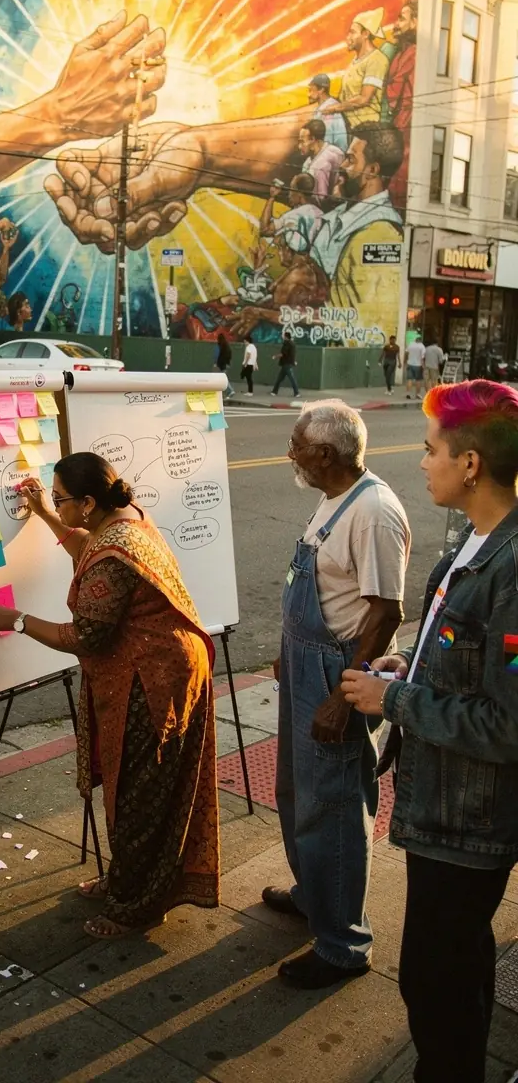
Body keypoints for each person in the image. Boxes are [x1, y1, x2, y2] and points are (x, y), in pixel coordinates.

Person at [342, 381, 518, 1082]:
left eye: (430, 449)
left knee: (433, 982)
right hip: (442, 808)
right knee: (459, 965)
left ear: (470, 463)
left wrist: (396, 701)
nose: (420, 462)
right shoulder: (470, 542)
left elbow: (508, 723)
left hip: (468, 820)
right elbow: (463, 657)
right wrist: (408, 665)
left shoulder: (512, 568)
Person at [0, 452, 220, 938]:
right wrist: (46, 513)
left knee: (139, 795)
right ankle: (131, 882)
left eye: (61, 497)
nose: (57, 502)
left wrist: (18, 621)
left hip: (154, 684)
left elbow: (86, 636)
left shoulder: (117, 549)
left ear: (89, 502)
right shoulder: (124, 522)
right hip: (166, 668)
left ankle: (137, 908)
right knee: (144, 789)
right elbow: (87, 548)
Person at [267, 401, 410, 988]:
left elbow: (384, 613)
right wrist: (288, 647)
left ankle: (343, 944)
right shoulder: (335, 499)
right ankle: (314, 897)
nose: (291, 452)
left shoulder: (374, 511)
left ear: (325, 453)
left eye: (297, 442)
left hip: (338, 675)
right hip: (305, 664)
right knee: (298, 793)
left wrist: (339, 697)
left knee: (335, 808)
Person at [309, 124, 405, 337]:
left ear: (372, 170)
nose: (341, 165)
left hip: (343, 363)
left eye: (351, 160)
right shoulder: (337, 218)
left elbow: (368, 327)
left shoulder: (383, 235)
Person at [320, 9, 390, 129]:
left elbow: (364, 99)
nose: (348, 37)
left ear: (366, 34)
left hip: (365, 130)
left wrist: (334, 108)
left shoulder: (376, 59)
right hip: (349, 126)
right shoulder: (355, 61)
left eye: (352, 32)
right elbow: (345, 97)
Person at [384, 0, 417, 207]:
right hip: (399, 121)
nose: (397, 24)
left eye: (402, 19)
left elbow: (393, 88)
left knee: (399, 173)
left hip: (406, 121)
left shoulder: (412, 52)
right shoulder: (401, 51)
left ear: (414, 22)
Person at [259, 173, 322, 255]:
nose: (289, 194)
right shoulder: (320, 213)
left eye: (291, 189)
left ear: (299, 193)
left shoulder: (294, 215)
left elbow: (265, 229)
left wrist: (272, 197)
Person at [298, 119, 344, 203]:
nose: (299, 147)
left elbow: (320, 200)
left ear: (312, 139)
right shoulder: (336, 151)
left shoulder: (319, 166)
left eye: (302, 142)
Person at [308, 73, 350, 152]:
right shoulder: (319, 109)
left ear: (321, 90)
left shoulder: (331, 108)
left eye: (311, 90)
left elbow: (336, 141)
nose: (308, 94)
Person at [271, 331, 300, 398]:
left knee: (291, 379)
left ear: (286, 337)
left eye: (284, 336)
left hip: (286, 364)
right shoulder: (292, 344)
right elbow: (292, 354)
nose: (283, 337)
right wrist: (293, 361)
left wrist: (275, 356)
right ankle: (274, 392)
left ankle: (297, 393)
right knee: (279, 378)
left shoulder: (286, 344)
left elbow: (283, 354)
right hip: (288, 364)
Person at [405, 334, 426, 400]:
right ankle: (417, 394)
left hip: (410, 364)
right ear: (420, 340)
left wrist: (406, 361)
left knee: (409, 379)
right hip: (418, 365)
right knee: (418, 380)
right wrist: (423, 366)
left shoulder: (410, 344)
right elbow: (422, 358)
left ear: (415, 340)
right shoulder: (422, 346)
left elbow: (406, 353)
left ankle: (408, 393)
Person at [215, 332, 235, 399]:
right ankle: (224, 393)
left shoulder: (220, 346)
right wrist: (228, 363)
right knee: (223, 378)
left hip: (221, 365)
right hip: (226, 364)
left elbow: (219, 356)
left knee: (223, 379)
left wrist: (216, 364)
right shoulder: (227, 346)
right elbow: (229, 355)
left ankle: (230, 390)